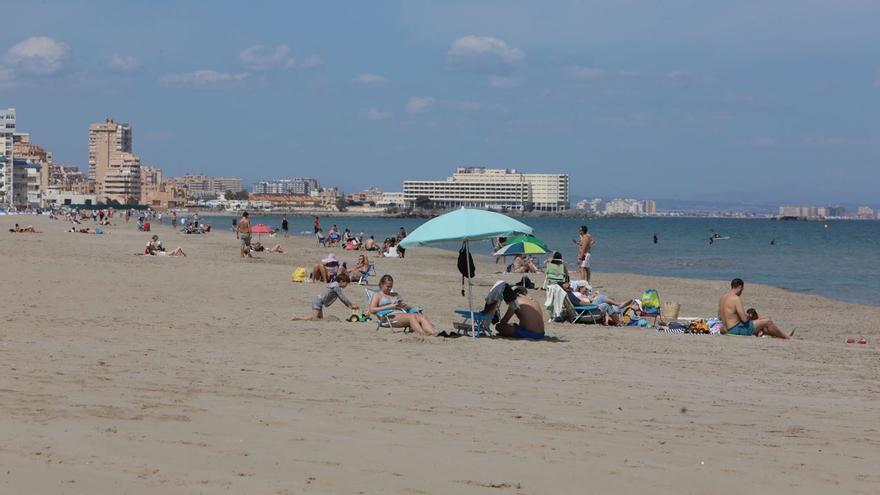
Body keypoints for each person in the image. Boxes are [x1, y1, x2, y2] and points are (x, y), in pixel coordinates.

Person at [718, 278, 793, 339]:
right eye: (742, 289)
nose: (742, 292)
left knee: (760, 322)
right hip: (735, 329)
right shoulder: (736, 298)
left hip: (725, 328)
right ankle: (786, 337)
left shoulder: (723, 297)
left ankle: (779, 335)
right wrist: (749, 316)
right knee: (767, 321)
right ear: (740, 287)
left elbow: (720, 317)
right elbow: (744, 319)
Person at [369, 274, 437, 336]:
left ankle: (434, 333)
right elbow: (372, 310)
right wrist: (389, 306)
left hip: (401, 313)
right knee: (411, 317)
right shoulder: (377, 295)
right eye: (388, 286)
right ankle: (423, 334)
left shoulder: (395, 294)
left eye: (391, 286)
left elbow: (405, 308)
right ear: (381, 284)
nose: (390, 289)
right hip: (387, 317)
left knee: (421, 316)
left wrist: (405, 306)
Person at [292, 272, 358, 320]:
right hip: (318, 301)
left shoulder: (333, 284)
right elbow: (342, 298)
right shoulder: (336, 287)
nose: (346, 285)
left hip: (318, 301)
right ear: (341, 281)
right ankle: (298, 318)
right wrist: (351, 305)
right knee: (314, 318)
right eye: (346, 283)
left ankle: (298, 318)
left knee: (320, 319)